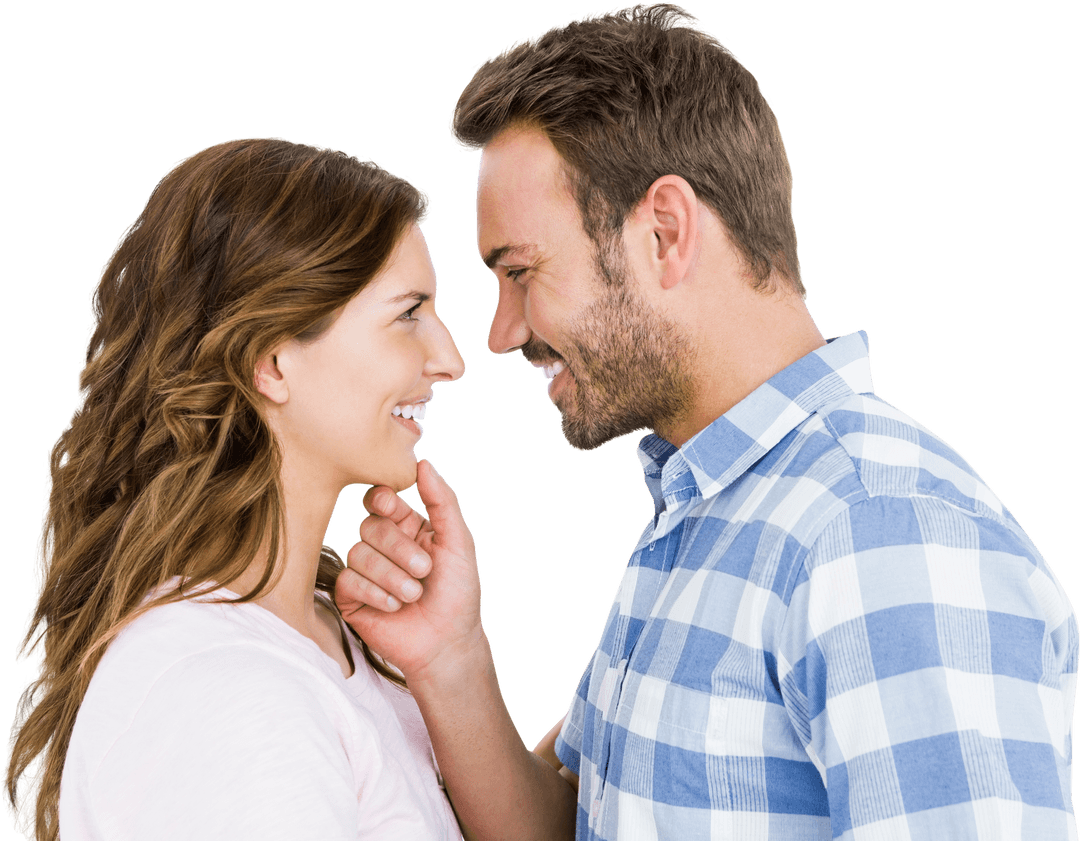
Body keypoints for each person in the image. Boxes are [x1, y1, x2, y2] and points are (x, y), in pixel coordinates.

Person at [335, 4, 1080, 840]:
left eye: (521, 272)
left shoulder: (880, 533)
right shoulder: (708, 515)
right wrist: (450, 657)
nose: (502, 332)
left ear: (664, 231)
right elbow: (563, 827)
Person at [3, 137, 468, 840]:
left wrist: (452, 657)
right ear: (272, 361)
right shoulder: (227, 690)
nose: (449, 359)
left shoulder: (322, 631)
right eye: (408, 313)